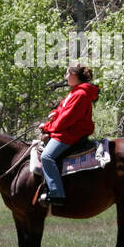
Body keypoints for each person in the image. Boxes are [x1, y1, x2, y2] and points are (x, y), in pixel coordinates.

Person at [38, 64, 99, 206]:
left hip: (72, 133)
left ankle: (57, 193)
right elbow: (63, 110)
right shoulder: (75, 92)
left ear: (75, 75)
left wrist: (47, 128)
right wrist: (55, 113)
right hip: (67, 130)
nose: (65, 77)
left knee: (46, 156)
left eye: (67, 74)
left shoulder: (80, 94)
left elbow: (67, 119)